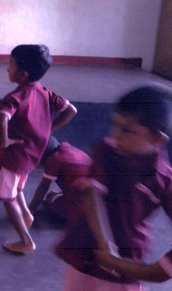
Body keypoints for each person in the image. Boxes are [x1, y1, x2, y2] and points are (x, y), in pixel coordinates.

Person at [56, 85, 172, 290]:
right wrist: (105, 243)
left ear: (157, 139)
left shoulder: (164, 179)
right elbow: (92, 192)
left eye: (126, 130)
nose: (114, 135)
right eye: (114, 125)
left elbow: (161, 273)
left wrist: (118, 263)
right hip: (84, 253)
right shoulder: (106, 151)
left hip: (124, 266)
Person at [0, 44, 77, 254]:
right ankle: (26, 214)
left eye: (10, 65)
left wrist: (4, 142)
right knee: (17, 188)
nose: (7, 69)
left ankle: (25, 240)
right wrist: (49, 129)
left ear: (23, 74)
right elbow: (71, 110)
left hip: (13, 155)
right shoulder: (45, 92)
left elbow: (1, 119)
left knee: (7, 198)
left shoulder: (15, 97)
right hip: (32, 154)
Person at [27, 136, 92, 223]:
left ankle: (71, 218)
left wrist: (29, 211)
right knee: (54, 194)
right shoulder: (68, 149)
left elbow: (43, 188)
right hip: (96, 197)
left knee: (52, 199)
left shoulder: (55, 159)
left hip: (86, 205)